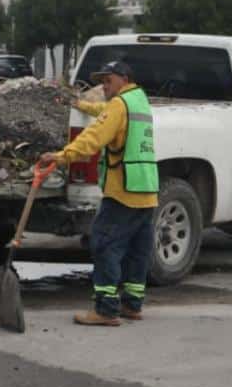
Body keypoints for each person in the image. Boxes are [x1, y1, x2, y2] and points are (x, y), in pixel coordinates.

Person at [38, 60, 158, 326]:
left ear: (123, 79)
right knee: (138, 249)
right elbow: (105, 112)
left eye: (108, 80)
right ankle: (132, 304)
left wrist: (61, 156)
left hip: (124, 190)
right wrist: (82, 105)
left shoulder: (119, 105)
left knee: (104, 243)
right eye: (102, 82)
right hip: (146, 188)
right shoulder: (138, 101)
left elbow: (93, 137)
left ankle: (105, 309)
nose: (104, 86)